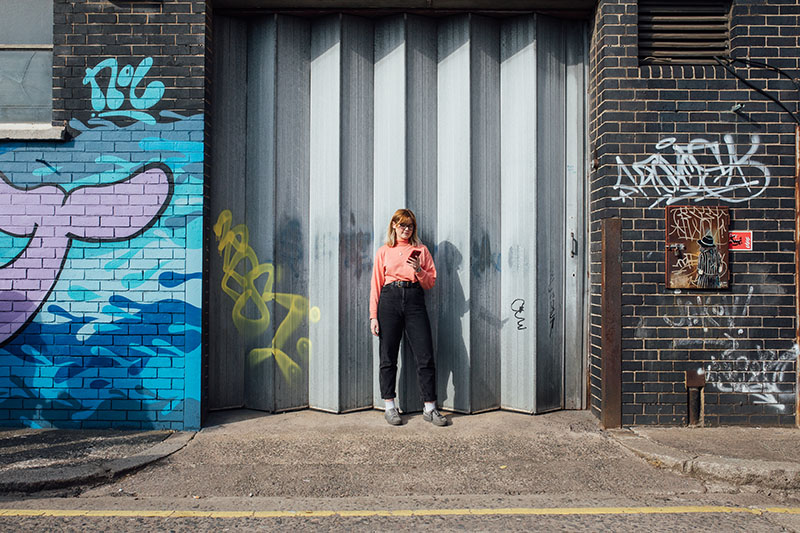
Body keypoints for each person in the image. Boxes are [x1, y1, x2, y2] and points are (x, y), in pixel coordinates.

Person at [369, 208, 447, 427]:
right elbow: (375, 285)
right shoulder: (384, 251)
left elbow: (430, 282)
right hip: (389, 299)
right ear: (394, 225)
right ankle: (389, 406)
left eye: (410, 225)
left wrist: (419, 270)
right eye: (402, 225)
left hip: (414, 299)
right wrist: (373, 316)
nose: (406, 229)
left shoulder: (421, 250)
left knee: (425, 355)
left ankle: (430, 408)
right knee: (388, 356)